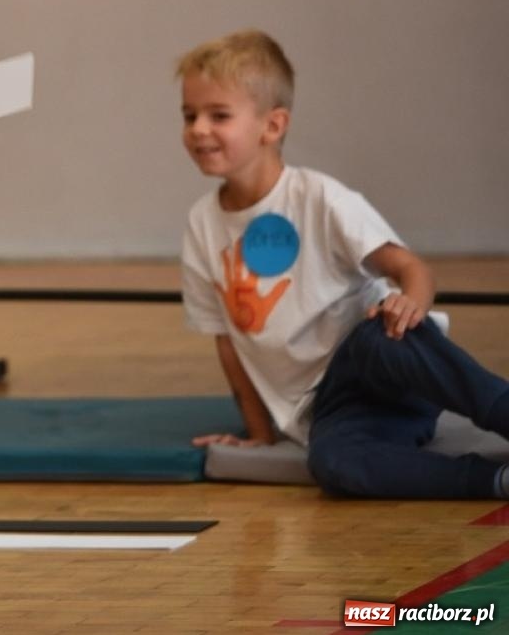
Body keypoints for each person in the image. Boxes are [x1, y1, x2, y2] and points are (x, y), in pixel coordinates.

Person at [175, 29, 509, 499]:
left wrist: (408, 306)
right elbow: (228, 342)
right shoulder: (201, 225)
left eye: (218, 115)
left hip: (383, 361)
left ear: (272, 126)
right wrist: (259, 434)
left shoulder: (321, 198)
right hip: (335, 409)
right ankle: (494, 481)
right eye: (189, 115)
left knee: (381, 338)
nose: (198, 129)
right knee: (332, 463)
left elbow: (412, 269)